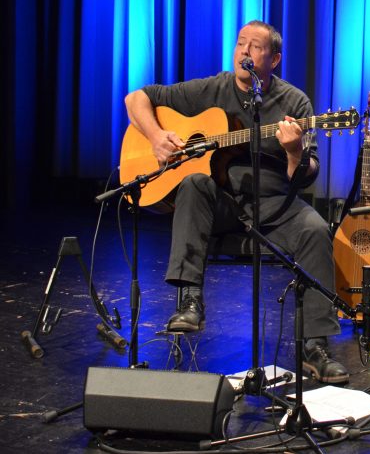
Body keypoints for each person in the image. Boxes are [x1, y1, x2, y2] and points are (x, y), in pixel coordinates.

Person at [124, 20, 348, 384]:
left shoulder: (294, 103)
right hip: (224, 205)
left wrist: (293, 153)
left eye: (254, 46)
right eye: (241, 43)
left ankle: (314, 346)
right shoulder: (212, 88)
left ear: (273, 59)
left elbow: (307, 175)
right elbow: (136, 99)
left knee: (316, 229)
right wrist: (155, 136)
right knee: (194, 182)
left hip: (276, 205)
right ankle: (190, 302)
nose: (244, 51)